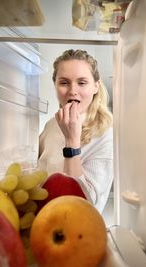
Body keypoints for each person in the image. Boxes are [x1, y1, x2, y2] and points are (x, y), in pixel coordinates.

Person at [38, 49, 113, 213]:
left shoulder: (105, 133)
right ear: (56, 86)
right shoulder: (52, 124)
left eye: (82, 82)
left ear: (95, 86)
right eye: (64, 82)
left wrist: (72, 141)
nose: (72, 90)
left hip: (78, 229)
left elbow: (84, 205)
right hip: (44, 220)